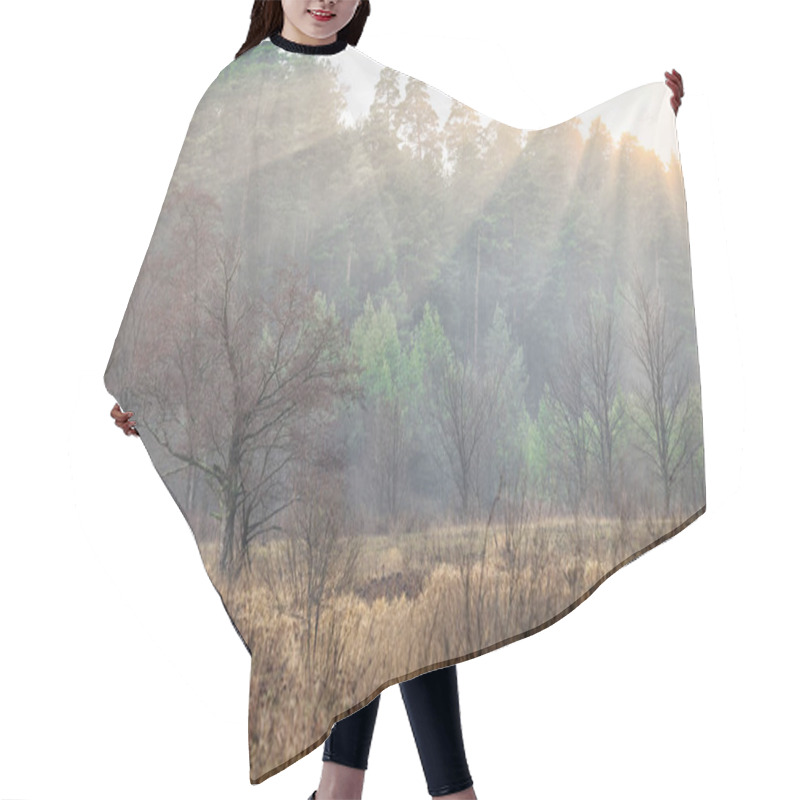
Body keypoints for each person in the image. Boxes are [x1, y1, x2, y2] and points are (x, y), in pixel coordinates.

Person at [110, 2, 685, 798]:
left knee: (399, 584)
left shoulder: (370, 88)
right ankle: (429, 792)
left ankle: (350, 790)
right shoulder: (236, 95)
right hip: (294, 395)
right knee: (363, 588)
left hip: (381, 383)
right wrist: (155, 373)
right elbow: (196, 244)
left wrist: (628, 138)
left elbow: (490, 172)